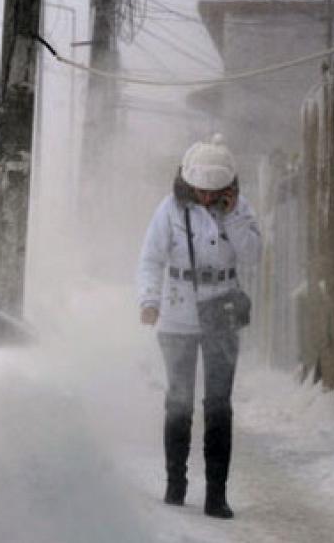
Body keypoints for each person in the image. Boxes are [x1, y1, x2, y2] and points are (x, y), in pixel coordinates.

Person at [136, 135, 261, 519]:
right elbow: (151, 258)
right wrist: (149, 300)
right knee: (179, 401)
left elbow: (253, 255)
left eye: (215, 192)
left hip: (220, 310)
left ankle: (216, 494)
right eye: (201, 191)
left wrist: (235, 216)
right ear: (189, 184)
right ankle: (176, 485)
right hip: (176, 314)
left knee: (219, 404)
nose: (207, 199)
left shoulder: (239, 211)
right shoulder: (168, 210)